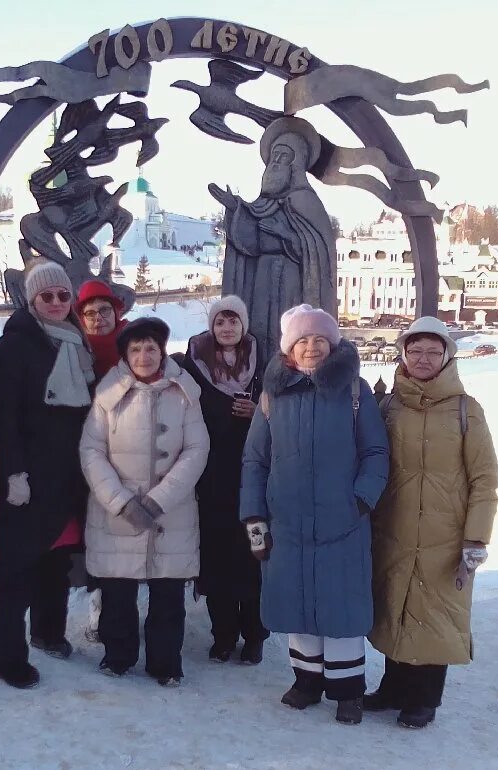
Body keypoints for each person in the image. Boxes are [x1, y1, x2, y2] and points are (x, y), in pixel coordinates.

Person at [240, 304, 389, 725]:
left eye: (320, 340)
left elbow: (375, 453)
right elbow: (255, 461)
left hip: (343, 522)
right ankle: (306, 682)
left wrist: (361, 500)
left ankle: (348, 692)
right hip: (286, 523)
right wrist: (254, 518)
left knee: (341, 610)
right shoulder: (272, 399)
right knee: (297, 604)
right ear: (290, 349)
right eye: (303, 340)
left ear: (332, 344)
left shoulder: (355, 392)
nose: (312, 347)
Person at [367, 316, 498, 728]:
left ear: (447, 356)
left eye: (432, 351)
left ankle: (424, 699)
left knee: (436, 614)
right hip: (395, 530)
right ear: (403, 355)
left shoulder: (466, 410)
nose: (423, 359)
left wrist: (476, 537)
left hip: (445, 538)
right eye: (415, 350)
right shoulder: (388, 406)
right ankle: (393, 689)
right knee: (396, 609)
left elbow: (484, 478)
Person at [80, 317, 210, 686]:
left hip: (172, 510)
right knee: (118, 590)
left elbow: (197, 449)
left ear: (162, 351)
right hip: (117, 509)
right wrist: (120, 501)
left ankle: (165, 662)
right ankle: (118, 656)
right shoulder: (108, 395)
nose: (144, 355)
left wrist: (158, 500)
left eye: (150, 347)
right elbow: (91, 450)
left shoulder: (185, 392)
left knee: (168, 594)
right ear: (125, 354)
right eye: (135, 348)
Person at [0, 260, 94, 689]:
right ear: (32, 300)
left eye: (62, 296)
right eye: (46, 296)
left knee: (56, 560)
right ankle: (5, 656)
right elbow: (3, 414)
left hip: (68, 473)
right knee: (17, 569)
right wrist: (14, 470)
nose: (55, 302)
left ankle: (48, 631)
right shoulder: (14, 344)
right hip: (28, 473)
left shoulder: (76, 341)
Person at [175, 295, 269, 665]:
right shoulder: (195, 364)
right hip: (212, 477)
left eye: (233, 322)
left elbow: (280, 409)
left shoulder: (264, 365)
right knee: (215, 558)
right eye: (220, 323)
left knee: (254, 554)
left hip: (254, 478)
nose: (226, 329)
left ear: (243, 326)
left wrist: (258, 407)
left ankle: (255, 634)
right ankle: (223, 634)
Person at [213, 117, 337, 362]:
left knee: (288, 333)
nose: (276, 163)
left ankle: (292, 371)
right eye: (274, 157)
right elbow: (249, 244)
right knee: (259, 332)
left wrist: (285, 234)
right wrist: (235, 210)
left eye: (283, 157)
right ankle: (257, 376)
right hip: (262, 279)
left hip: (293, 281)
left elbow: (317, 253)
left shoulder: (305, 200)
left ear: (297, 163)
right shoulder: (263, 204)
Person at [74, 278, 128, 642]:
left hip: (128, 455)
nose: (97, 319)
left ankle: (122, 606)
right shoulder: (73, 350)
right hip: (84, 456)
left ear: (116, 312)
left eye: (103, 310)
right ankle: (97, 603)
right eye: (89, 313)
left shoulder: (133, 347)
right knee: (92, 533)